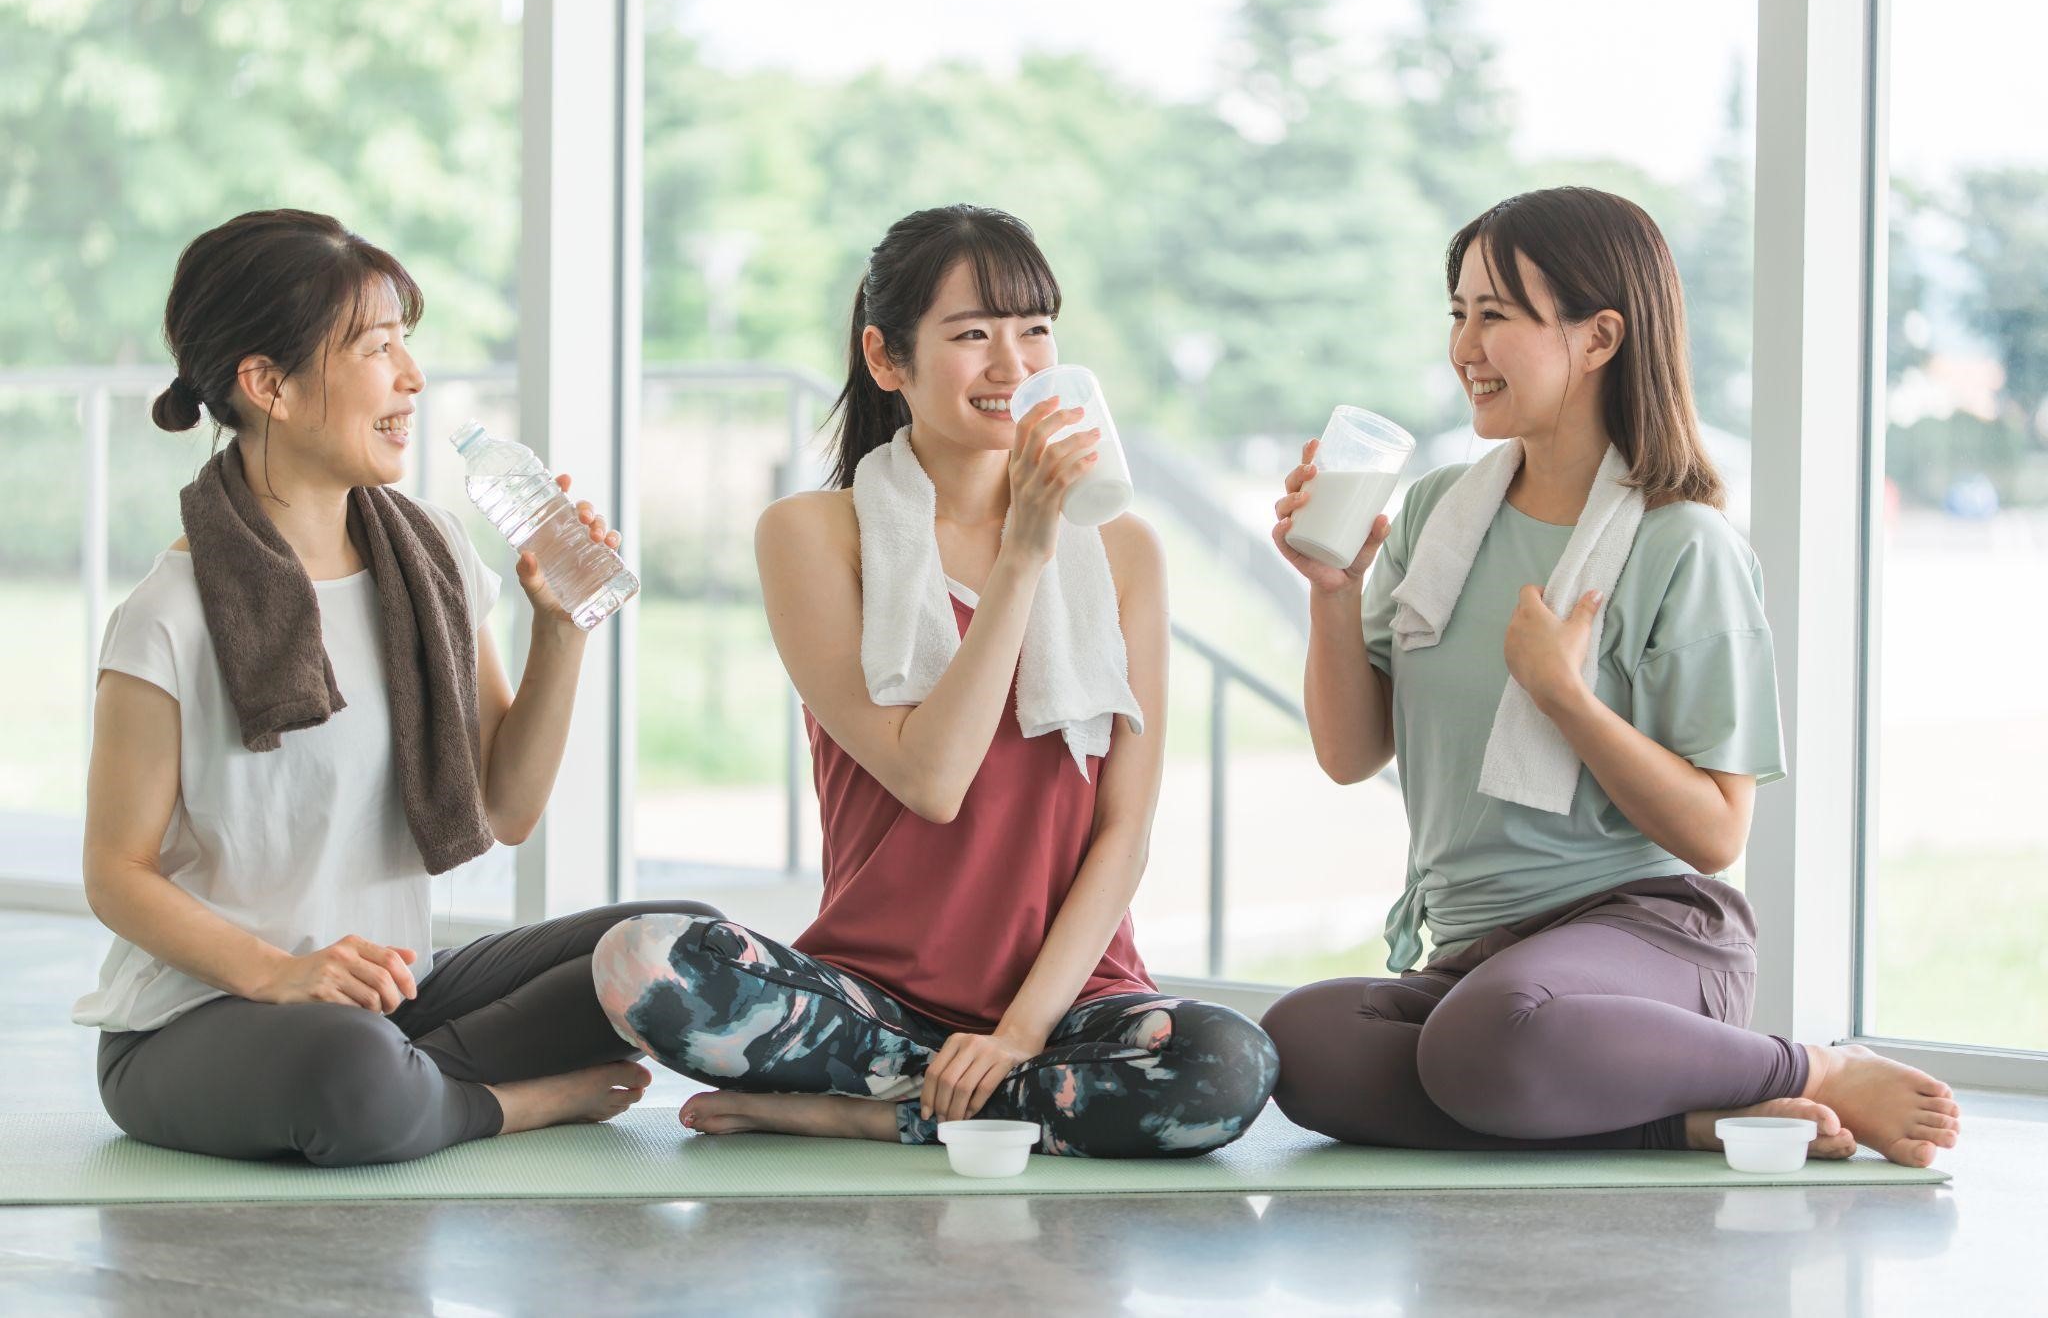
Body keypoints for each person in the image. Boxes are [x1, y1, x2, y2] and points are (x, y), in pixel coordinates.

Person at [1260, 187, 1960, 1168]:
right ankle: (1683, 1120)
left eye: (1494, 315)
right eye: (1456, 313)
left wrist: (1564, 700)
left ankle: (1806, 1070)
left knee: (1485, 1041)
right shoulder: (1432, 516)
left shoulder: (1685, 546)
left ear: (1597, 338)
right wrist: (1332, 592)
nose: (1463, 345)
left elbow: (1714, 833)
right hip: (1479, 960)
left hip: (1648, 942)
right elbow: (1347, 753)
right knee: (1297, 1048)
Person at [594, 204, 1276, 1158]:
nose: (1014, 365)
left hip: (1067, 1004)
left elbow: (1124, 831)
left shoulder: (1124, 551)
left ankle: (877, 1115)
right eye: (972, 335)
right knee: (643, 961)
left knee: (1227, 1066)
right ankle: (970, 1103)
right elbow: (932, 779)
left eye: (1034, 329)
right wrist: (1023, 557)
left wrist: (1020, 1036)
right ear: (887, 358)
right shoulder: (811, 535)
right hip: (874, 1004)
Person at [76, 209, 719, 1166]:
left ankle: (418, 1084)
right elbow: (114, 873)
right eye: (377, 349)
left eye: (405, 346)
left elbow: (506, 806)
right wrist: (281, 973)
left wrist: (561, 632)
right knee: (350, 1070)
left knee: (684, 946)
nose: (411, 379)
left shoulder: (433, 561)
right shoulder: (170, 614)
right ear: (268, 385)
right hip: (200, 1021)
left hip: (392, 996)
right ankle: (502, 1102)